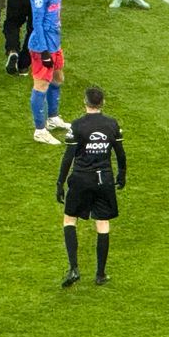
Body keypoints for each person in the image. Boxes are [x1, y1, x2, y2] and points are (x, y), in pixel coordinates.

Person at [56, 86, 127, 287]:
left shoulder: (77, 125)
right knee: (102, 223)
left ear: (85, 102)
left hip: (81, 178)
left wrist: (60, 182)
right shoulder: (112, 124)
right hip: (104, 179)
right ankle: (100, 274)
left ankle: (74, 268)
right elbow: (120, 153)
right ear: (102, 103)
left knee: (70, 219)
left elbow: (68, 157)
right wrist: (122, 174)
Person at [27, 0, 71, 145]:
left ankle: (52, 118)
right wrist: (44, 51)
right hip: (41, 47)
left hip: (55, 42)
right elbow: (36, 23)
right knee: (41, 85)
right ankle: (40, 130)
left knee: (58, 78)